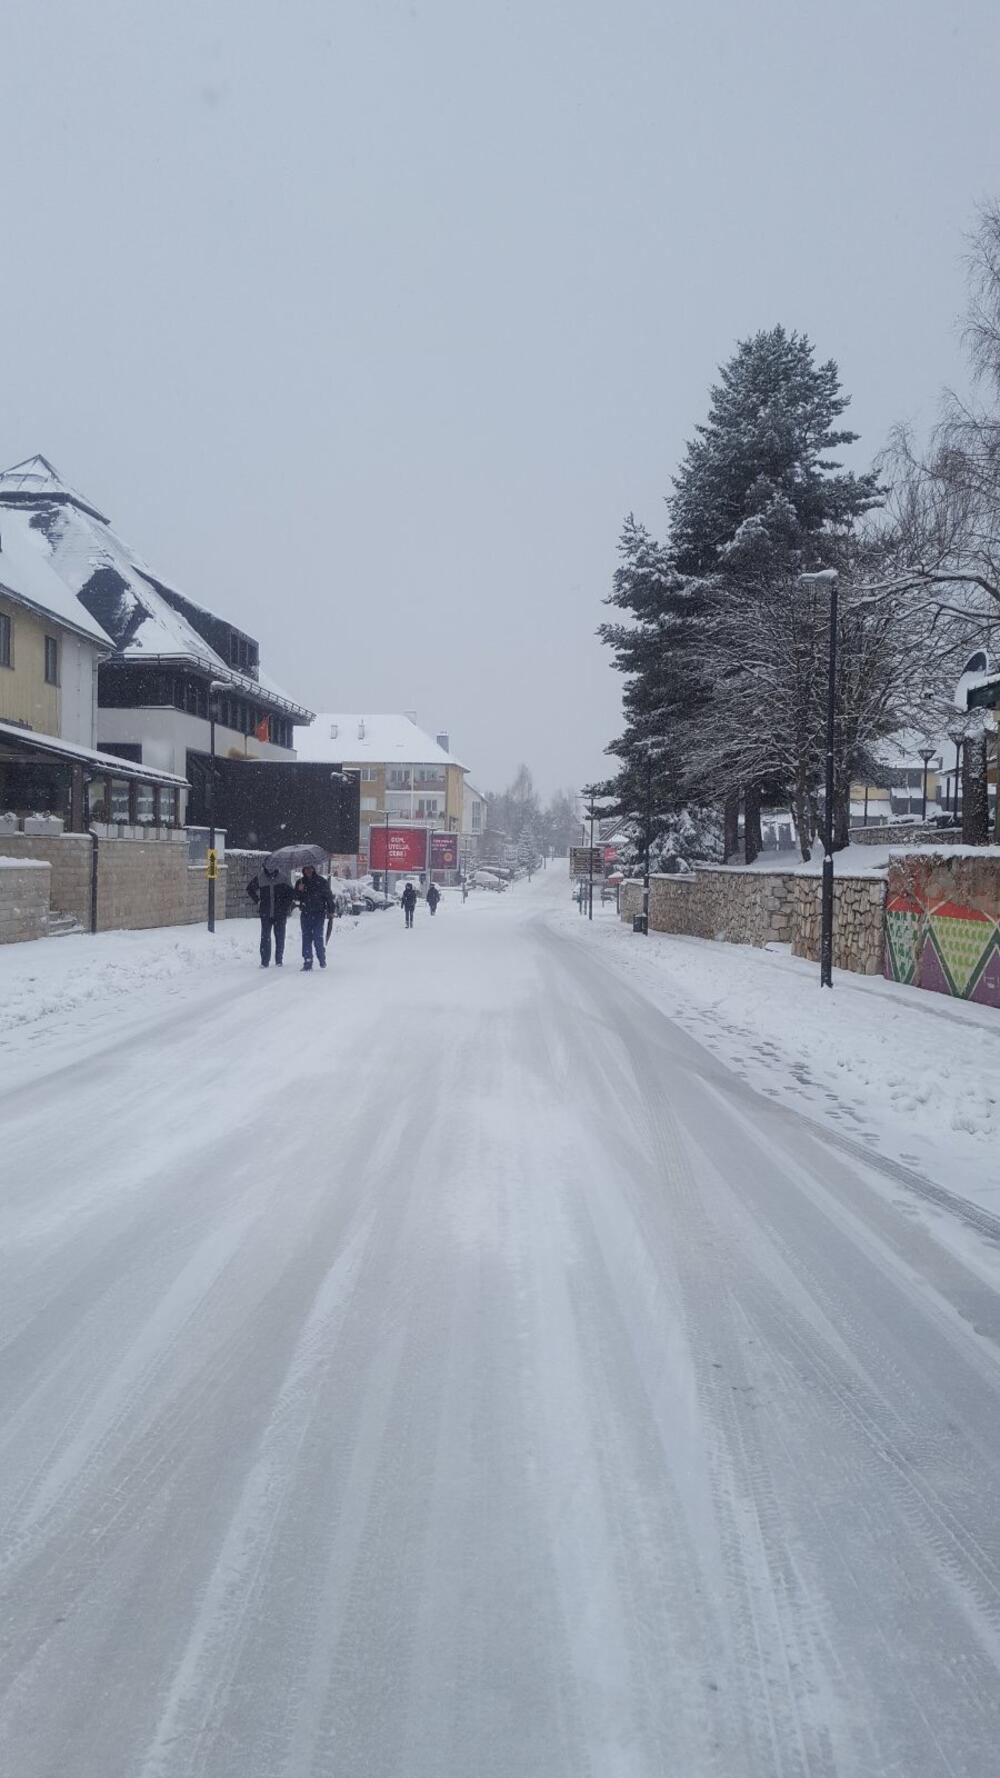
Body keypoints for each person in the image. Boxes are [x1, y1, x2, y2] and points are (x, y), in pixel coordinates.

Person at [247, 862, 295, 967]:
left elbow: (291, 894)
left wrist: (285, 906)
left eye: (272, 866)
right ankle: (264, 961)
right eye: (268, 866)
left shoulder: (283, 878)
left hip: (280, 913)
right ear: (265, 867)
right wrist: (258, 901)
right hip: (265, 913)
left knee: (280, 937)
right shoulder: (260, 877)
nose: (270, 868)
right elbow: (249, 889)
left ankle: (279, 960)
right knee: (265, 937)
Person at [294, 864, 336, 970]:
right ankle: (307, 961)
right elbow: (296, 897)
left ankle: (321, 958)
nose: (308, 870)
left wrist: (331, 911)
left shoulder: (321, 882)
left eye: (310, 868)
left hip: (318, 914)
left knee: (318, 937)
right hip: (305, 913)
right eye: (306, 869)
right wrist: (299, 890)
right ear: (303, 870)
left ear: (313, 869)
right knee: (306, 937)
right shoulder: (300, 882)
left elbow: (328, 897)